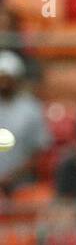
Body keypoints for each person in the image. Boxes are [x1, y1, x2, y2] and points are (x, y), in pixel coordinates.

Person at [0, 51, 50, 196]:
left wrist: (11, 177)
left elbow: (38, 151)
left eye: (8, 78)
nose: (4, 83)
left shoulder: (32, 109)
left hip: (22, 185)